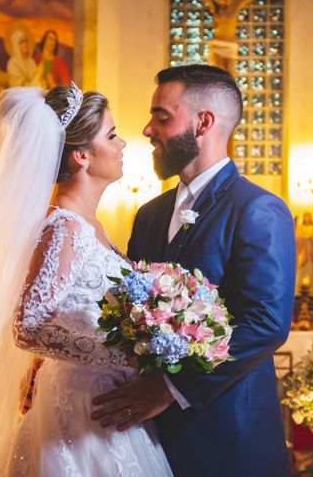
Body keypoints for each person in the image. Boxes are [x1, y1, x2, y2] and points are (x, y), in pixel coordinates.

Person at [0, 84, 172, 476]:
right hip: (78, 411)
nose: (122, 145)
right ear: (81, 156)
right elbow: (28, 324)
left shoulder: (89, 226)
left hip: (105, 405)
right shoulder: (63, 229)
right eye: (111, 135)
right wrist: (124, 352)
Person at [91, 65, 296, 476]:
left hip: (230, 434)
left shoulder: (257, 209)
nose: (148, 130)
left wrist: (170, 388)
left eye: (161, 117)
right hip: (149, 435)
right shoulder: (148, 215)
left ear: (203, 122)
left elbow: (267, 323)